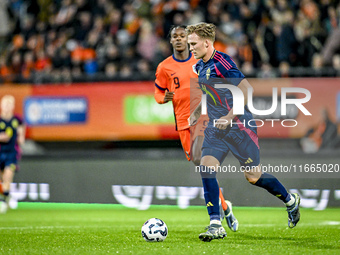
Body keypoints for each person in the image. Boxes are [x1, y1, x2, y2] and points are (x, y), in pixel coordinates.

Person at [186, 23, 301, 242]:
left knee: (253, 177)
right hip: (216, 127)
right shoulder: (200, 66)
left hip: (240, 125)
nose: (190, 48)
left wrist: (229, 117)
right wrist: (197, 111)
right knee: (206, 167)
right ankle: (215, 224)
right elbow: (209, 93)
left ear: (206, 42)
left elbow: (247, 90)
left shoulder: (223, 62)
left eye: (193, 44)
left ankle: (290, 200)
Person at [154, 25, 238, 232]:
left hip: (204, 118)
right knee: (199, 164)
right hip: (183, 122)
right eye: (176, 37)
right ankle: (225, 206)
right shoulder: (164, 67)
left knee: (203, 161)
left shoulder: (199, 60)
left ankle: (215, 219)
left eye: (183, 36)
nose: (180, 40)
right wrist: (164, 98)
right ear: (171, 41)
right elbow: (157, 93)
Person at [0, 95, 25, 213]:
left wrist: (21, 137)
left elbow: (21, 130)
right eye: (5, 104)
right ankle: (5, 196)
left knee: (7, 177)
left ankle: (3, 202)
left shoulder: (17, 120)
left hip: (11, 153)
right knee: (2, 179)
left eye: (10, 104)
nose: (7, 107)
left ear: (13, 106)